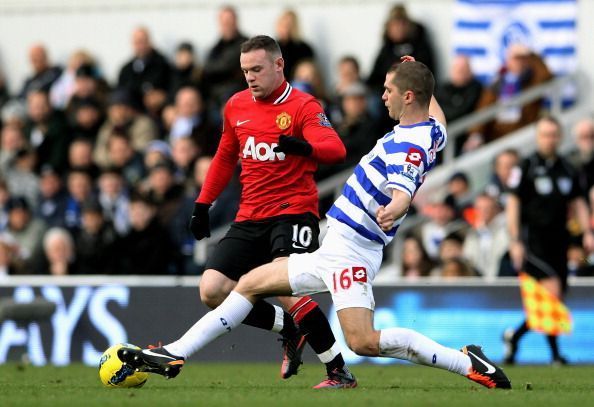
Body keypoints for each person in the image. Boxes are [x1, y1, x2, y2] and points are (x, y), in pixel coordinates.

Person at [121, 57, 511, 390]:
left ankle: (466, 364)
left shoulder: (406, 145)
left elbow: (403, 187)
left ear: (408, 97)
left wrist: (396, 206)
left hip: (350, 252)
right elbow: (435, 112)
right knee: (254, 284)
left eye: (390, 89)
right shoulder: (430, 130)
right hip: (340, 246)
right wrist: (419, 77)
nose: (383, 96)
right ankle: (175, 353)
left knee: (363, 341)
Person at [187, 35, 352, 387]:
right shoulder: (235, 106)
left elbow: (336, 149)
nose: (250, 77)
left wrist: (304, 147)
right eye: (246, 70)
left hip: (294, 211)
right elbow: (224, 156)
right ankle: (290, 328)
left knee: (285, 287)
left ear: (279, 65)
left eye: (257, 69)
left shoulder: (304, 105)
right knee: (212, 290)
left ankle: (338, 370)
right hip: (251, 215)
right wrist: (203, 204)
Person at [504, 116, 594, 365]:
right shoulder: (525, 167)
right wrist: (515, 240)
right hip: (534, 241)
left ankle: (514, 337)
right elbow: (513, 204)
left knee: (555, 299)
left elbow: (578, 202)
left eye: (554, 134)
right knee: (552, 294)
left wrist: (587, 232)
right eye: (545, 134)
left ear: (560, 136)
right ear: (537, 136)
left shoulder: (567, 168)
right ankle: (555, 355)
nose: (550, 139)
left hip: (560, 241)